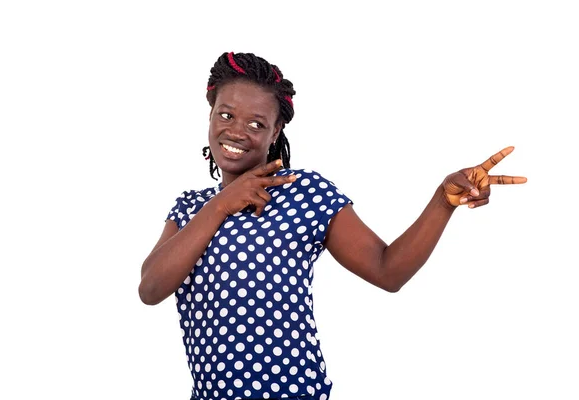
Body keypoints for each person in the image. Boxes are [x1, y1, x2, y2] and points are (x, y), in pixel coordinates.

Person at [138, 51, 527, 400]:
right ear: (210, 114)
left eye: (257, 124)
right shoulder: (189, 208)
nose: (237, 131)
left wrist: (442, 202)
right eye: (226, 115)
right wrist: (221, 204)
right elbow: (151, 288)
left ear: (275, 133)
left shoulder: (303, 193)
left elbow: (387, 270)